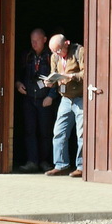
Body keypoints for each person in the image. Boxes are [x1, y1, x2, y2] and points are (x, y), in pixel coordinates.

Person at [14, 28, 57, 173]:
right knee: (29, 131)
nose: (34, 43)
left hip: (45, 100)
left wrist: (51, 96)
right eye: (32, 40)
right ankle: (32, 161)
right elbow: (18, 73)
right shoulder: (27, 55)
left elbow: (58, 77)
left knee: (45, 132)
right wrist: (18, 83)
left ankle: (45, 162)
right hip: (29, 99)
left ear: (44, 40)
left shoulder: (51, 56)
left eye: (37, 40)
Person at [45, 33, 85, 178]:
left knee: (81, 133)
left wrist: (71, 76)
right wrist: (49, 82)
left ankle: (81, 167)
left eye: (59, 50)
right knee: (59, 132)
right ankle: (61, 165)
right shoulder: (55, 56)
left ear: (67, 43)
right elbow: (53, 73)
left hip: (80, 98)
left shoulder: (79, 51)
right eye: (53, 51)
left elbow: (87, 72)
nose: (57, 53)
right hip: (65, 99)